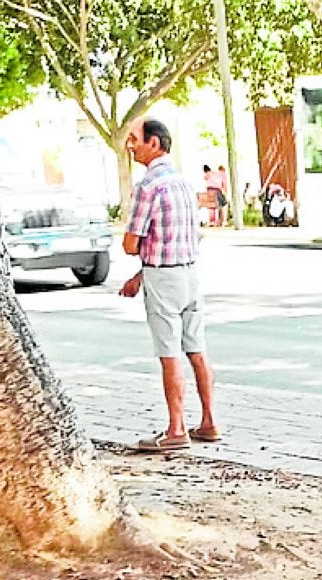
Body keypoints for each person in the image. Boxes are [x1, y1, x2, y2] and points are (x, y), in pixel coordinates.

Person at [120, 118, 218, 454]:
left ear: (154, 143)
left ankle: (176, 428)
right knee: (197, 349)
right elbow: (184, 237)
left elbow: (131, 244)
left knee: (169, 353)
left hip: (164, 278)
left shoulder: (149, 186)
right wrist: (139, 275)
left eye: (135, 139)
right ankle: (208, 421)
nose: (130, 145)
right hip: (190, 274)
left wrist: (141, 266)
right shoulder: (182, 184)